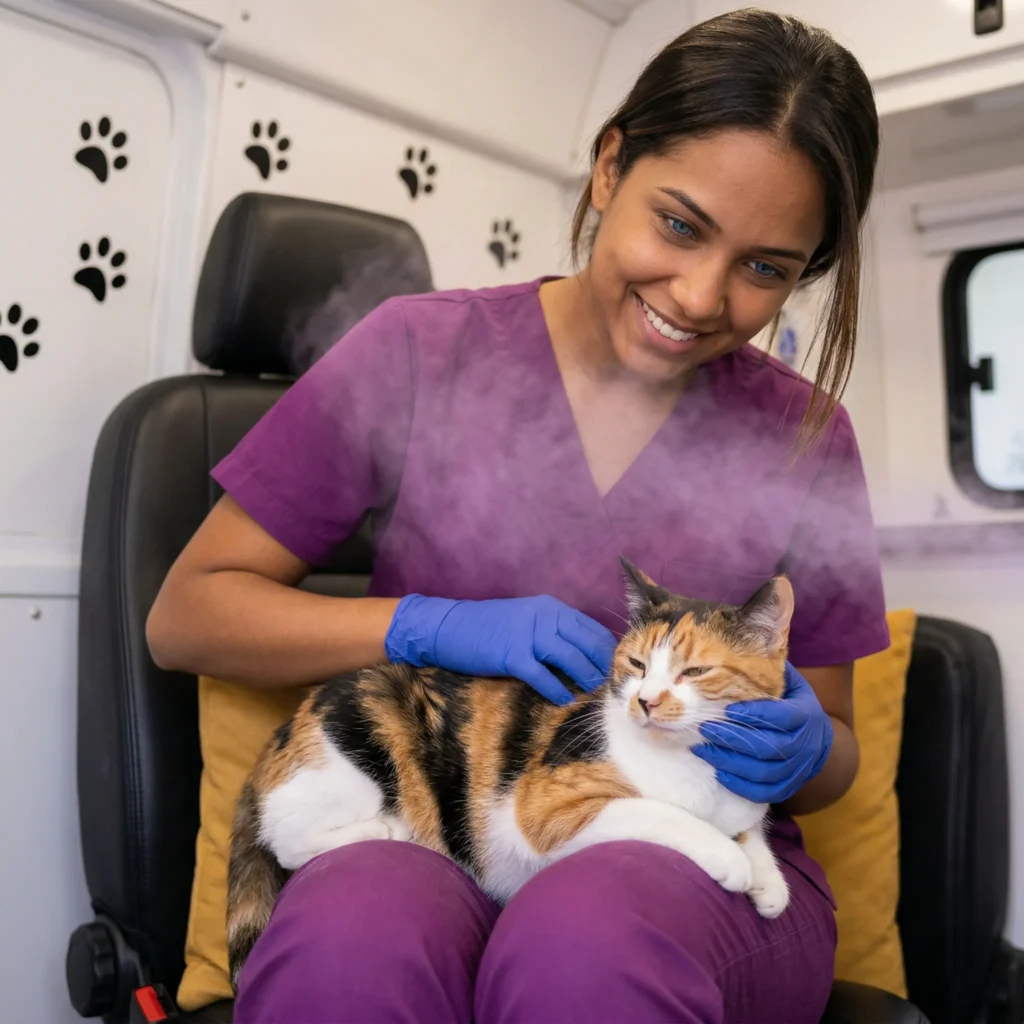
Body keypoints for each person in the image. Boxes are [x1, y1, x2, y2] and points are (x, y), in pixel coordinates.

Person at [147, 9, 888, 1023]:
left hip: (697, 862)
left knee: (586, 945)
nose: (701, 293)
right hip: (448, 824)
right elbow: (186, 614)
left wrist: (808, 747)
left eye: (765, 266)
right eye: (678, 223)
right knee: (343, 945)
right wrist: (429, 623)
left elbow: (835, 747)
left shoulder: (806, 437)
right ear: (607, 166)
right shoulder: (416, 350)